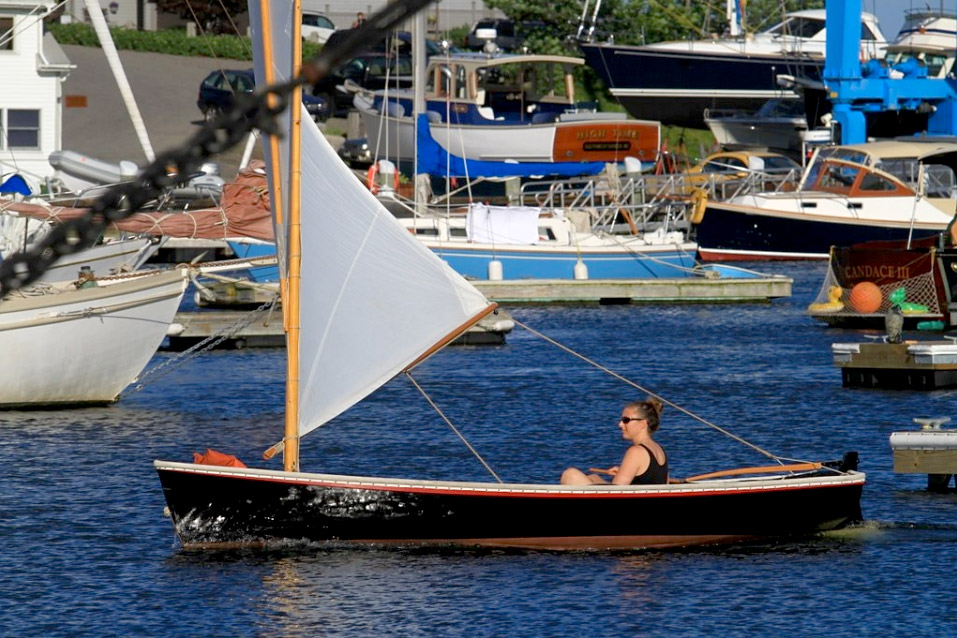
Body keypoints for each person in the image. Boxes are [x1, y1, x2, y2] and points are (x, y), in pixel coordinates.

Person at [560, 397, 668, 485]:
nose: (620, 425)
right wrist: (623, 472)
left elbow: (616, 492)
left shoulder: (636, 451)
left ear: (643, 424)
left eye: (626, 420)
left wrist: (621, 476)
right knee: (593, 477)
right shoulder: (659, 449)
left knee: (570, 475)